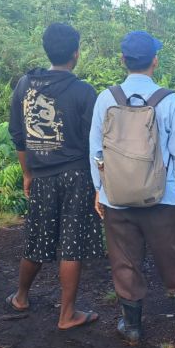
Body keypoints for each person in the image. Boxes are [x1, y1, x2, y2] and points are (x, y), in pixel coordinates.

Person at [89, 31, 175, 343]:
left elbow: (96, 151)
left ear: (123, 60)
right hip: (161, 197)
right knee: (173, 254)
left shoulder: (105, 99)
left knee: (124, 260)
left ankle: (133, 326)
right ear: (155, 60)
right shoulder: (169, 100)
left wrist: (99, 189)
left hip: (116, 198)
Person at [7, 22, 103, 330]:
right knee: (72, 244)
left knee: (37, 239)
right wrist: (101, 185)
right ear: (75, 53)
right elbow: (95, 145)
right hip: (76, 175)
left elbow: (18, 135)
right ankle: (67, 314)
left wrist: (27, 173)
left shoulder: (25, 85)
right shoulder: (84, 91)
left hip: (42, 176)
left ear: (47, 50)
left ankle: (21, 297)